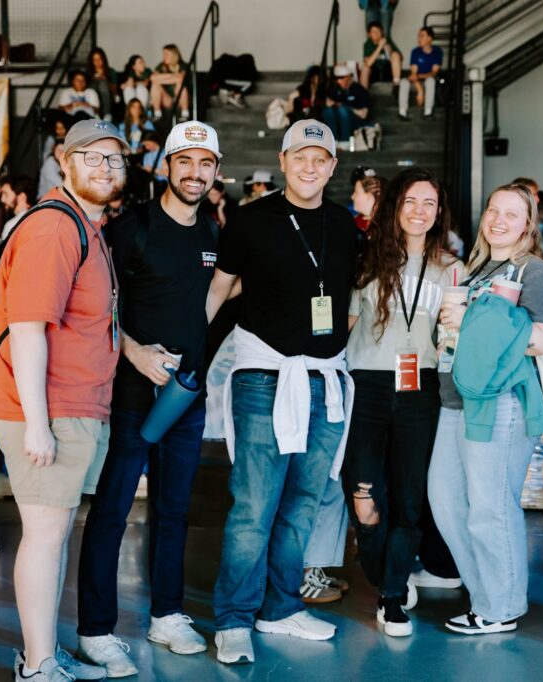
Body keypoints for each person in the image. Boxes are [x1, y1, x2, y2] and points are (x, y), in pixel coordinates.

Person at [0, 119, 129, 682]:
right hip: (45, 408)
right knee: (44, 535)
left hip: (70, 405)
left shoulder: (84, 225)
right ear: (64, 164)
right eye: (90, 157)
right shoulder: (54, 228)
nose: (103, 167)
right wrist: (39, 424)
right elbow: (26, 327)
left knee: (54, 532)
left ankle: (43, 652)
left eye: (113, 159)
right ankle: (37, 665)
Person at [205, 120, 356, 665]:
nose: (310, 167)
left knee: (302, 505)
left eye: (321, 158)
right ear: (284, 159)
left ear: (333, 166)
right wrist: (189, 360)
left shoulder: (345, 226)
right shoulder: (249, 221)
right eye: (300, 157)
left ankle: (281, 607)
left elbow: (350, 301)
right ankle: (234, 618)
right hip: (264, 378)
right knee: (255, 505)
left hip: (325, 381)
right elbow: (218, 292)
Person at [76, 121, 221, 674]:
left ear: (214, 169)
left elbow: (205, 300)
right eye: (185, 162)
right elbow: (97, 307)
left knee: (175, 509)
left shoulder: (210, 230)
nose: (194, 173)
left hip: (185, 396)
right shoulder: (130, 228)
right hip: (133, 392)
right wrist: (134, 353)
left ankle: (167, 614)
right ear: (167, 166)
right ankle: (95, 629)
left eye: (204, 164)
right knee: (112, 508)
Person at [428, 183, 543, 635]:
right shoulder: (478, 267)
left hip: (501, 402)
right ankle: (483, 589)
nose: (499, 219)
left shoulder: (533, 271)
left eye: (512, 213)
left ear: (529, 224)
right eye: (492, 210)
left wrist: (475, 320)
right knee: (444, 499)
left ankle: (500, 606)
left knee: (491, 504)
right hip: (456, 398)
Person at [343, 168, 463, 637]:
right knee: (366, 498)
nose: (419, 211)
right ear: (395, 206)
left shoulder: (452, 267)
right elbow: (347, 324)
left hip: (421, 387)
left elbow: (453, 336)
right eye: (411, 201)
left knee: (410, 498)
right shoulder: (366, 260)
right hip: (367, 383)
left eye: (429, 203)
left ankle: (391, 596)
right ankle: (383, 572)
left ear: (439, 211)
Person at [398, 26, 442, 120]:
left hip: (427, 81)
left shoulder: (437, 52)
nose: (419, 39)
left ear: (429, 38)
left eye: (422, 36)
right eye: (419, 36)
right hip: (416, 82)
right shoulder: (415, 52)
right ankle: (402, 112)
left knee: (430, 80)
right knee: (404, 82)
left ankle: (428, 112)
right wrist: (420, 91)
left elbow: (434, 72)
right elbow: (413, 74)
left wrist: (420, 76)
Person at [324, 65, 370, 144]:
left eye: (341, 78)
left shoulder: (359, 90)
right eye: (336, 78)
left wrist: (345, 107)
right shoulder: (335, 91)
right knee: (328, 111)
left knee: (342, 110)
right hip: (338, 121)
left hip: (356, 121)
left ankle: (345, 141)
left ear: (349, 77)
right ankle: (332, 142)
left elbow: (364, 114)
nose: (338, 81)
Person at [150, 45, 191, 122]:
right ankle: (157, 114)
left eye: (166, 54)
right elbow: (152, 78)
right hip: (167, 99)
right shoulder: (161, 66)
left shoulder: (183, 65)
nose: (164, 56)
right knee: (155, 85)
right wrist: (174, 76)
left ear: (174, 55)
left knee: (180, 85)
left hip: (181, 99)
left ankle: (185, 113)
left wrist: (160, 78)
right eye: (163, 54)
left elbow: (181, 78)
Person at [360, 21, 402, 88]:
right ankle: (363, 94)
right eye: (374, 32)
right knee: (365, 68)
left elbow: (400, 57)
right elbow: (368, 63)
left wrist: (390, 51)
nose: (377, 34)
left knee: (395, 54)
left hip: (387, 71)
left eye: (379, 31)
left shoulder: (387, 41)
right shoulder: (367, 44)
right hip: (374, 72)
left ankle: (396, 85)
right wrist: (380, 47)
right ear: (369, 34)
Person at [87, 47, 119, 122]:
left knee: (102, 83)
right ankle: (95, 115)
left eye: (100, 59)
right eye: (95, 60)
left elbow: (115, 90)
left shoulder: (111, 71)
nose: (98, 62)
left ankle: (107, 115)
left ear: (103, 59)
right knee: (94, 84)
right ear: (91, 61)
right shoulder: (88, 73)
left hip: (108, 97)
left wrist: (105, 80)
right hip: (93, 100)